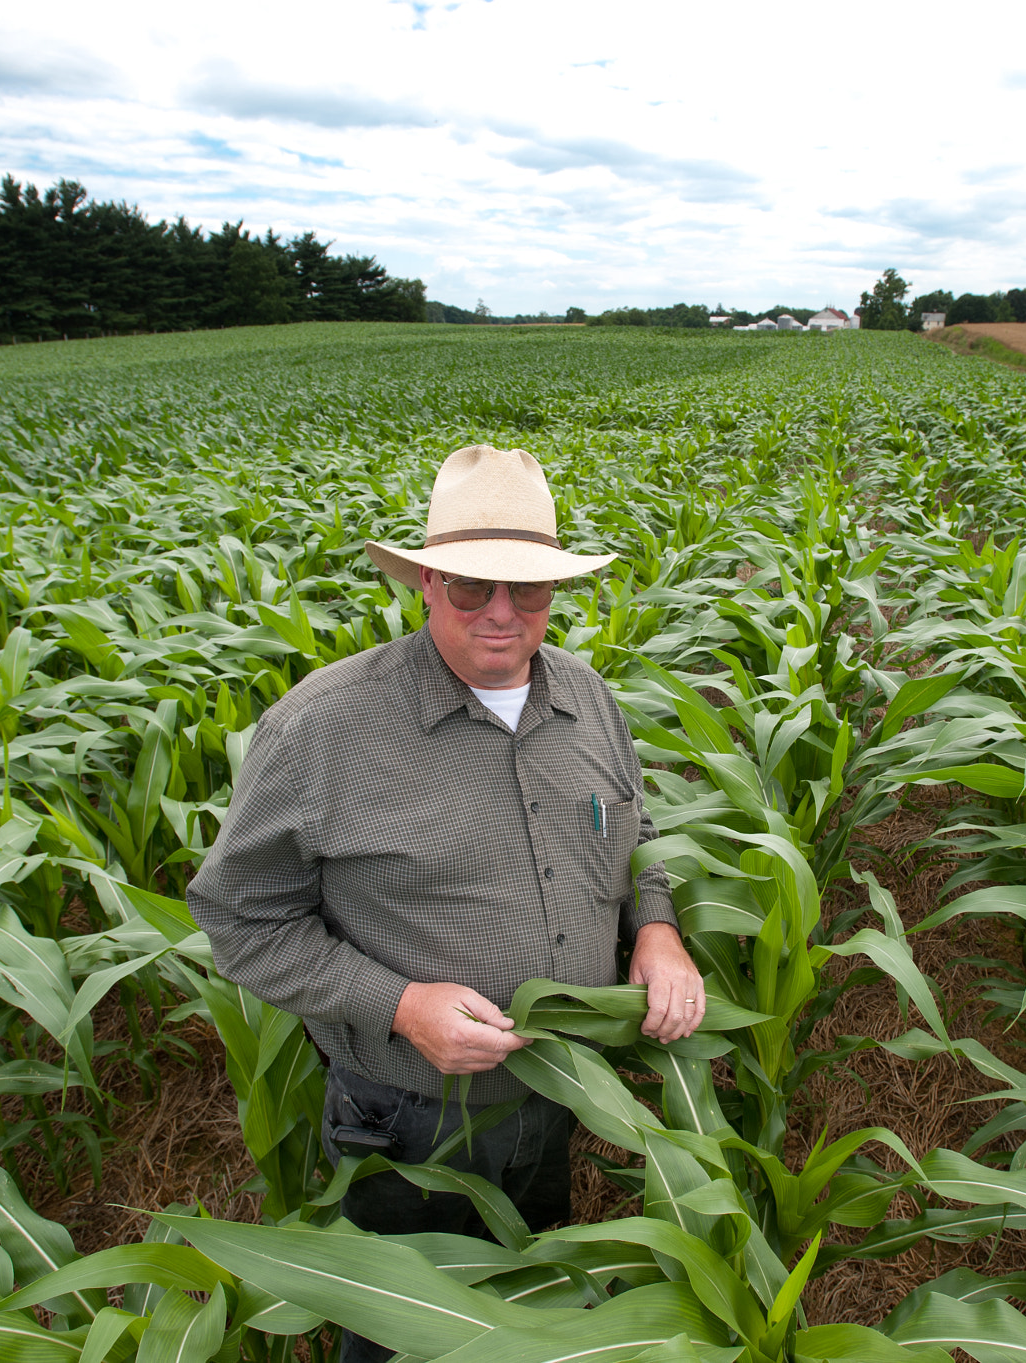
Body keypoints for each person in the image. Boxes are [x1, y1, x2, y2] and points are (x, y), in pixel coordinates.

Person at [187, 444, 705, 1362]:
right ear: (426, 580)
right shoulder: (324, 729)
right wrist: (402, 1004)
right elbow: (239, 915)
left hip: (557, 1094)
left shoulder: (588, 699)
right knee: (405, 1336)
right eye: (471, 586)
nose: (501, 612)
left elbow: (632, 829)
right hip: (411, 1117)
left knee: (526, 1304)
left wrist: (656, 926)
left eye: (528, 589)